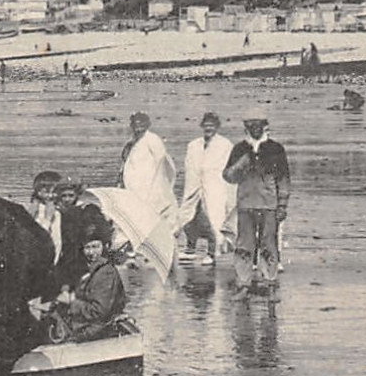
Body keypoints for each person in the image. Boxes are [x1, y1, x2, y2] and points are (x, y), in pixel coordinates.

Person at [223, 105, 291, 290]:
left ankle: (270, 281)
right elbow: (228, 177)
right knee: (244, 246)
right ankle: (243, 283)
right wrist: (240, 165)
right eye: (250, 124)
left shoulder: (276, 149)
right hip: (245, 205)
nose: (254, 127)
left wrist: (282, 205)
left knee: (269, 245)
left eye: (258, 124)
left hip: (269, 205)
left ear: (265, 125)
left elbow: (283, 179)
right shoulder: (239, 149)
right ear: (246, 127)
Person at [48, 224, 127, 343]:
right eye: (87, 247)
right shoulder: (88, 267)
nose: (91, 252)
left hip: (95, 329)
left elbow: (99, 311)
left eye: (95, 247)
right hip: (84, 324)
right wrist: (66, 289)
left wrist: (71, 302)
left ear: (104, 246)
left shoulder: (106, 272)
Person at [180, 111, 235, 266]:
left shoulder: (225, 145)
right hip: (194, 187)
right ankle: (190, 248)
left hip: (215, 187)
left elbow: (227, 169)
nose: (208, 128)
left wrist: (227, 192)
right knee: (188, 217)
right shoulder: (193, 145)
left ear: (217, 127)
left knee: (213, 220)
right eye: (206, 125)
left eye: (212, 126)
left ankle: (212, 252)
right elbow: (189, 167)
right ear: (202, 126)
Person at [55, 177, 114, 285]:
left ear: (77, 195)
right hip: (66, 253)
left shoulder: (88, 209)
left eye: (71, 195)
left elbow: (101, 232)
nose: (67, 199)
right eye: (64, 196)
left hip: (82, 252)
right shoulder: (58, 212)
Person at [122, 111, 179, 220]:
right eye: (135, 124)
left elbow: (162, 161)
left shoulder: (153, 139)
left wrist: (157, 186)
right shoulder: (133, 142)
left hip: (150, 187)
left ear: (147, 125)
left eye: (141, 124)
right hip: (135, 187)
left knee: (154, 213)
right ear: (131, 125)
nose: (138, 127)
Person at [28, 170, 65, 289]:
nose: (50, 195)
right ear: (37, 192)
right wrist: (49, 217)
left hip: (54, 255)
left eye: (54, 192)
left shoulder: (58, 210)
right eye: (46, 192)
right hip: (42, 256)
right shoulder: (37, 210)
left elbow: (58, 239)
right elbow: (38, 234)